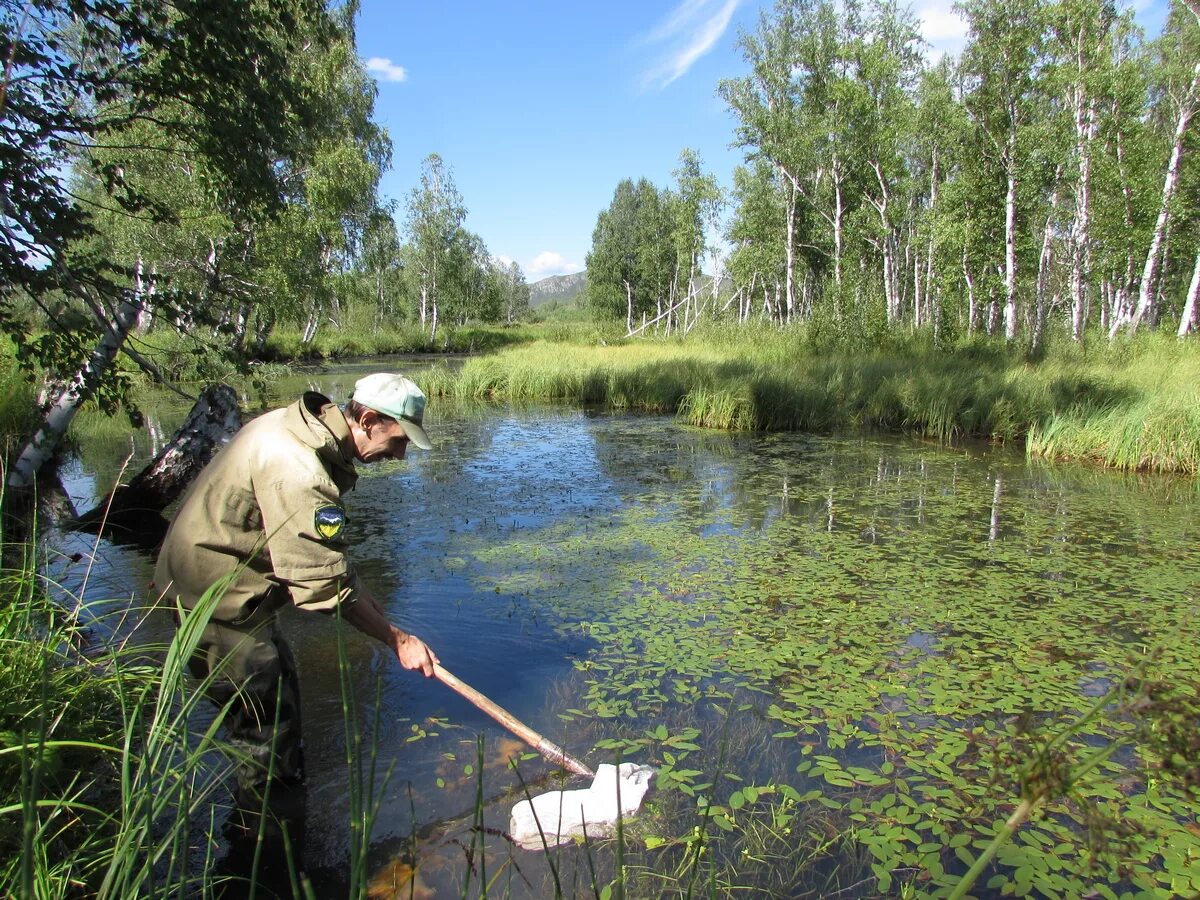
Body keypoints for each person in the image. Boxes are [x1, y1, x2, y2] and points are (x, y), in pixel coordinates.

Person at [153, 372, 440, 797]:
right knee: (265, 740)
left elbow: (326, 562)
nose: (400, 456)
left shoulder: (299, 428)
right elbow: (323, 589)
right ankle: (267, 837)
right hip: (215, 603)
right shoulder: (300, 470)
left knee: (277, 697)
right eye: (398, 440)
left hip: (217, 586)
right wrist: (397, 640)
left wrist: (368, 600)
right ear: (366, 419)